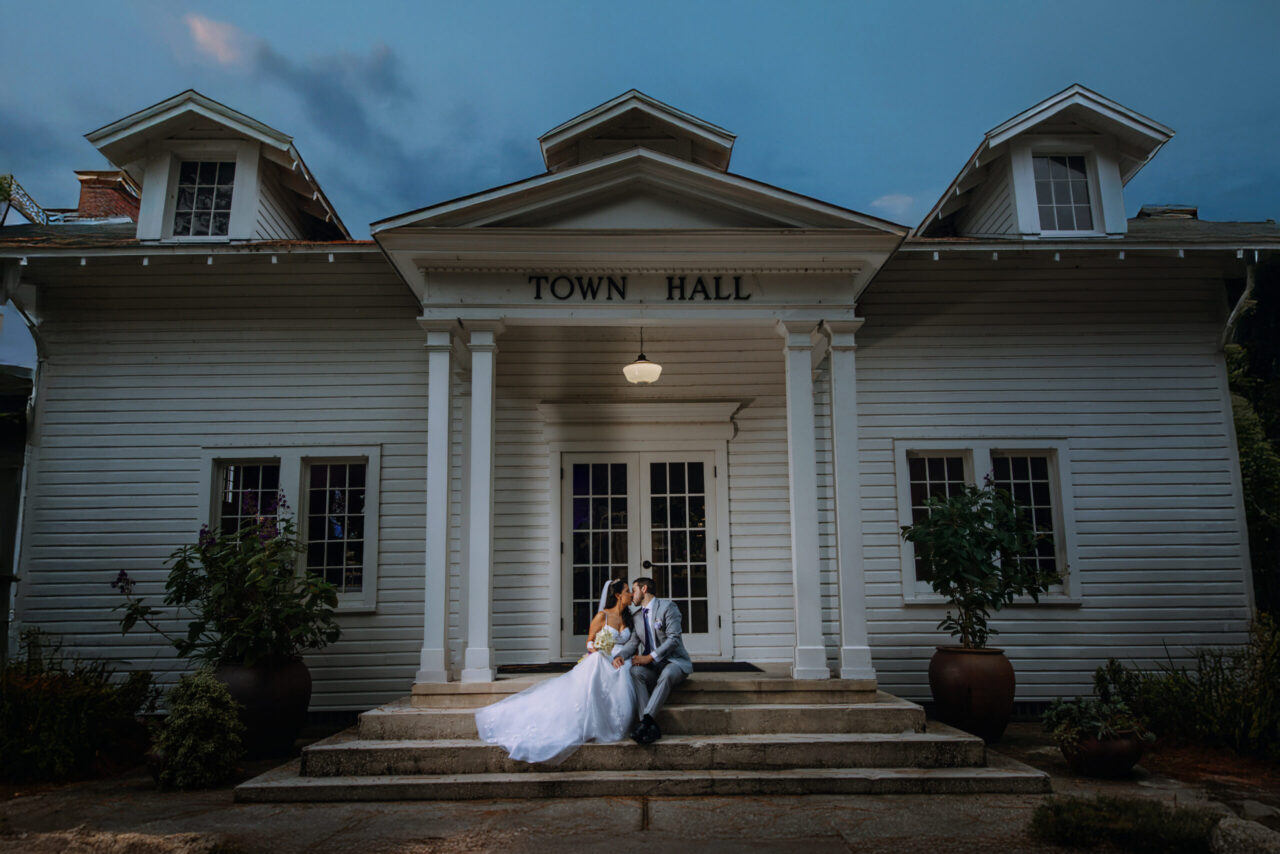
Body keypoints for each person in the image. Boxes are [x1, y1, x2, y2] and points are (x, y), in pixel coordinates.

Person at [474, 579, 638, 764]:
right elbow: (590, 641)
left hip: (622, 659)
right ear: (618, 595)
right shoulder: (603, 616)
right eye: (627, 591)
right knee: (597, 663)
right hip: (602, 656)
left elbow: (632, 643)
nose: (631, 594)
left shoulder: (629, 618)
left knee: (623, 672)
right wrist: (597, 650)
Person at [612, 576, 694, 744]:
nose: (632, 595)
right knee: (635, 671)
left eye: (633, 590)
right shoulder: (636, 617)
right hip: (654, 666)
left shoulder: (668, 607)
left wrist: (649, 657)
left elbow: (674, 639)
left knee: (667, 673)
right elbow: (633, 642)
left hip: (675, 662)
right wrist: (620, 656)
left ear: (644, 590)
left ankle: (646, 721)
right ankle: (650, 727)